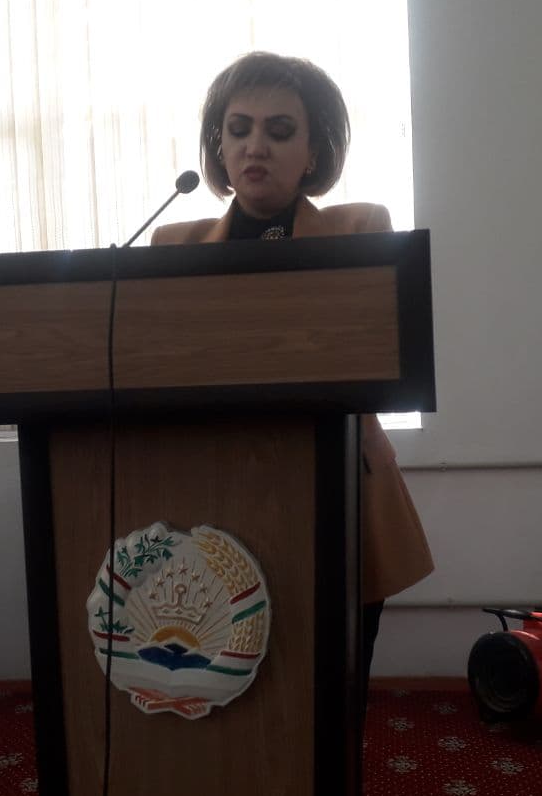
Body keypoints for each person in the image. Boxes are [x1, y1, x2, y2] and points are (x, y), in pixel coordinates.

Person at [151, 51, 435, 693]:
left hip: (341, 496)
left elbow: (367, 356)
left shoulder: (360, 229)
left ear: (312, 152)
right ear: (219, 147)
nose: (256, 146)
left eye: (280, 131)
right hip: (220, 498)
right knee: (238, 699)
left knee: (334, 699)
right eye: (238, 129)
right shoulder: (173, 247)